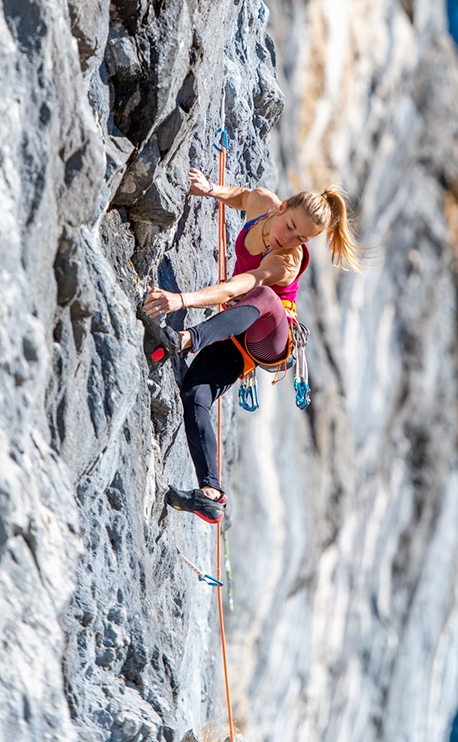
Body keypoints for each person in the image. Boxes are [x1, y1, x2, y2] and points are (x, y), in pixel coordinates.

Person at [139, 168, 362, 524]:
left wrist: (180, 302)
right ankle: (210, 494)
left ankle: (185, 340)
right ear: (281, 206)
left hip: (270, 338)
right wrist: (211, 189)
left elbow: (234, 288)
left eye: (301, 238)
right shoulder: (263, 202)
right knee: (195, 393)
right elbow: (242, 197)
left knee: (261, 295)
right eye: (289, 226)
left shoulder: (284, 264)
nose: (288, 239)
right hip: (237, 335)